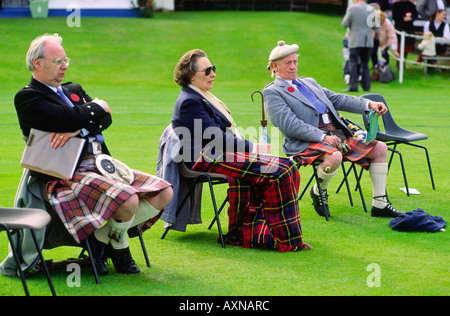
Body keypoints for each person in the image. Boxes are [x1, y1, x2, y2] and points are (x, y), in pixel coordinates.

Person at [14, 33, 173, 275]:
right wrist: (97, 106)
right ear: (38, 63)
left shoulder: (73, 89)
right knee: (128, 199)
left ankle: (105, 241)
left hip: (100, 164)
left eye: (66, 59)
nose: (64, 65)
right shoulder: (27, 97)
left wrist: (79, 127)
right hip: (64, 174)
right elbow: (70, 117)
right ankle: (119, 248)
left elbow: (105, 119)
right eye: (58, 61)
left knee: (163, 192)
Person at [171, 49, 310, 252]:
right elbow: (215, 138)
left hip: (215, 153)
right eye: (208, 70)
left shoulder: (202, 97)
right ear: (191, 75)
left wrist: (248, 147)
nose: (213, 74)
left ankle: (254, 233)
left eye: (213, 69)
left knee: (284, 167)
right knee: (282, 169)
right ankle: (287, 241)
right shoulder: (190, 101)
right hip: (203, 157)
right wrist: (254, 147)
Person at [263, 41, 403, 219]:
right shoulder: (273, 92)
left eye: (295, 62)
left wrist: (369, 104)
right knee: (335, 155)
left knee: (380, 148)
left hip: (336, 134)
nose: (293, 67)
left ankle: (380, 204)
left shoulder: (309, 82)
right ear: (275, 66)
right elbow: (289, 125)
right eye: (287, 63)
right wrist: (322, 137)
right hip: (305, 141)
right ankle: (318, 191)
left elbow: (337, 99)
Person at [341, 0, 377, 92]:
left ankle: (353, 86)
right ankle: (366, 86)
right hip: (368, 41)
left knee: (353, 63)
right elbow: (375, 26)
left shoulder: (352, 8)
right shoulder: (372, 9)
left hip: (355, 40)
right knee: (365, 64)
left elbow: (344, 23)